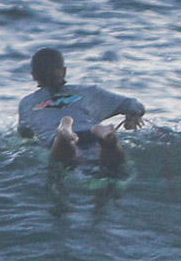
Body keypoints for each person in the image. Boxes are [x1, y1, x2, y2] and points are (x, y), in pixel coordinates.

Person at [17, 48, 145, 172]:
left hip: (55, 139)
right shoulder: (90, 91)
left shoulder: (26, 103)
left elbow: (25, 134)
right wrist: (132, 116)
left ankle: (63, 135)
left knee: (67, 161)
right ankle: (105, 138)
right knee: (113, 166)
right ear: (64, 71)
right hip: (89, 131)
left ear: (33, 75)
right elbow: (135, 105)